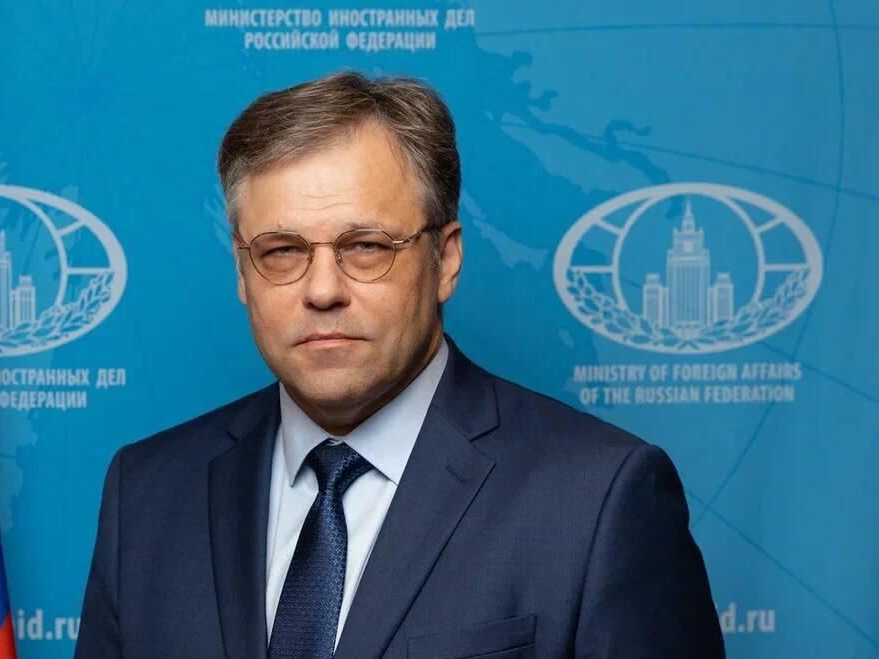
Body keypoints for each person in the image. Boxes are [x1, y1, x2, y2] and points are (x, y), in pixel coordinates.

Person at [75, 71, 725, 659]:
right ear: (243, 274)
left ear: (445, 259)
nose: (321, 289)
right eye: (282, 251)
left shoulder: (597, 500)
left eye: (365, 246)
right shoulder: (148, 494)